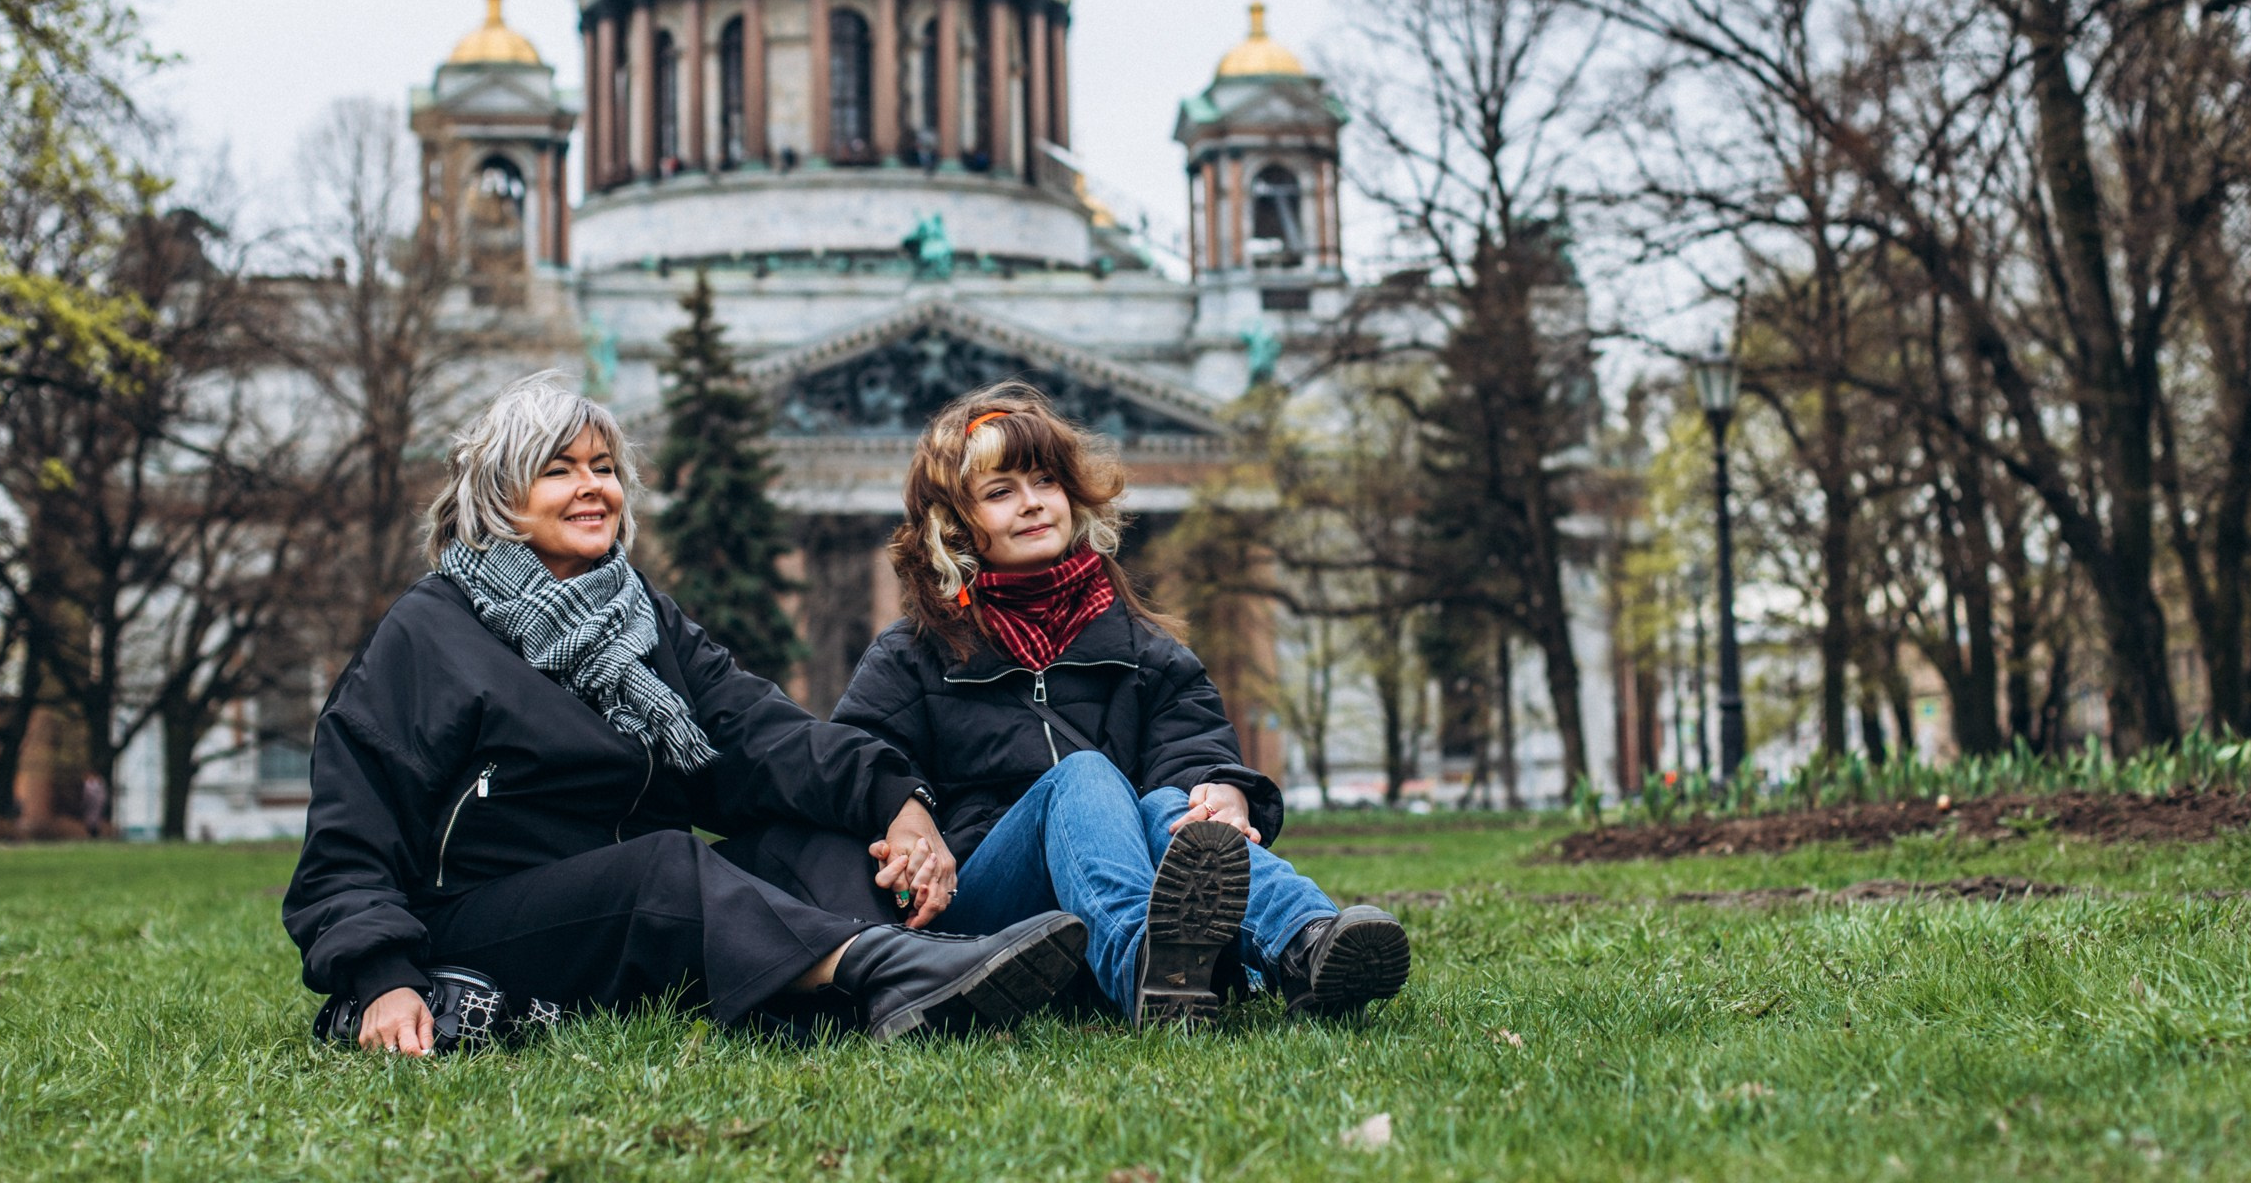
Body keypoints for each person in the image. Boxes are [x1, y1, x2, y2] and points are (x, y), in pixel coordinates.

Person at [281, 372, 1084, 1052]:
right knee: (665, 866)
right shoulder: (430, 631)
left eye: (604, 468)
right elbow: (350, 836)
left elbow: (760, 736)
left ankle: (915, 981)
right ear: (498, 498)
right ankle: (889, 975)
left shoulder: (638, 618)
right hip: (483, 922)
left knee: (818, 844)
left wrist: (895, 801)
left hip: (638, 911)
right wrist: (382, 977)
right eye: (559, 471)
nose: (594, 487)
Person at [832, 384, 1410, 1029]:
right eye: (1000, 493)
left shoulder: (1144, 647)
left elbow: (1194, 747)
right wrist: (907, 809)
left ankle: (1306, 944)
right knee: (1084, 774)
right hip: (985, 907)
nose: (1031, 504)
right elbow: (855, 755)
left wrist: (1220, 794)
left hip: (1120, 877)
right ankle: (1148, 966)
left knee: (1172, 806)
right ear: (954, 527)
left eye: (1044, 481)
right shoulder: (912, 653)